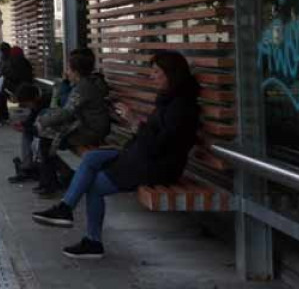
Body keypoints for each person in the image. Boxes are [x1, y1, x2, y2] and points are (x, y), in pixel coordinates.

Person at [31, 51, 201, 259]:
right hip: (143, 154)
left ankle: (93, 241)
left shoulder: (181, 107)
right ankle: (65, 208)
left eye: (157, 72)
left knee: (94, 186)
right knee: (92, 158)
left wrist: (134, 123)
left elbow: (159, 145)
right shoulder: (170, 99)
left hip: (157, 166)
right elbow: (155, 136)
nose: (152, 76)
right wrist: (136, 130)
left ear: (171, 74)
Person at [33, 50, 111, 197]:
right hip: (89, 127)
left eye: (68, 69)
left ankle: (54, 182)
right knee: (46, 137)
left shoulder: (83, 87)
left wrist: (43, 121)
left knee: (46, 141)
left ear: (76, 71)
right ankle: (55, 180)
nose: (67, 72)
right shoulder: (85, 84)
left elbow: (67, 112)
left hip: (91, 131)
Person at [7, 83, 51, 183]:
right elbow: (32, 118)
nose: (27, 106)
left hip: (51, 131)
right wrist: (23, 124)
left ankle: (27, 167)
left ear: (34, 98)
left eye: (27, 104)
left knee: (30, 135)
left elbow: (42, 127)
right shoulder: (37, 102)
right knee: (26, 133)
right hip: (45, 129)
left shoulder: (45, 104)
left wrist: (26, 128)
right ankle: (27, 166)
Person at [0, 43, 21, 126]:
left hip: (16, 86)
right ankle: (2, 116)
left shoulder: (14, 61)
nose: (2, 52)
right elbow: (3, 72)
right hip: (11, 84)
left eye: (3, 51)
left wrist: (0, 76)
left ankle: (0, 117)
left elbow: (11, 75)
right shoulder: (6, 59)